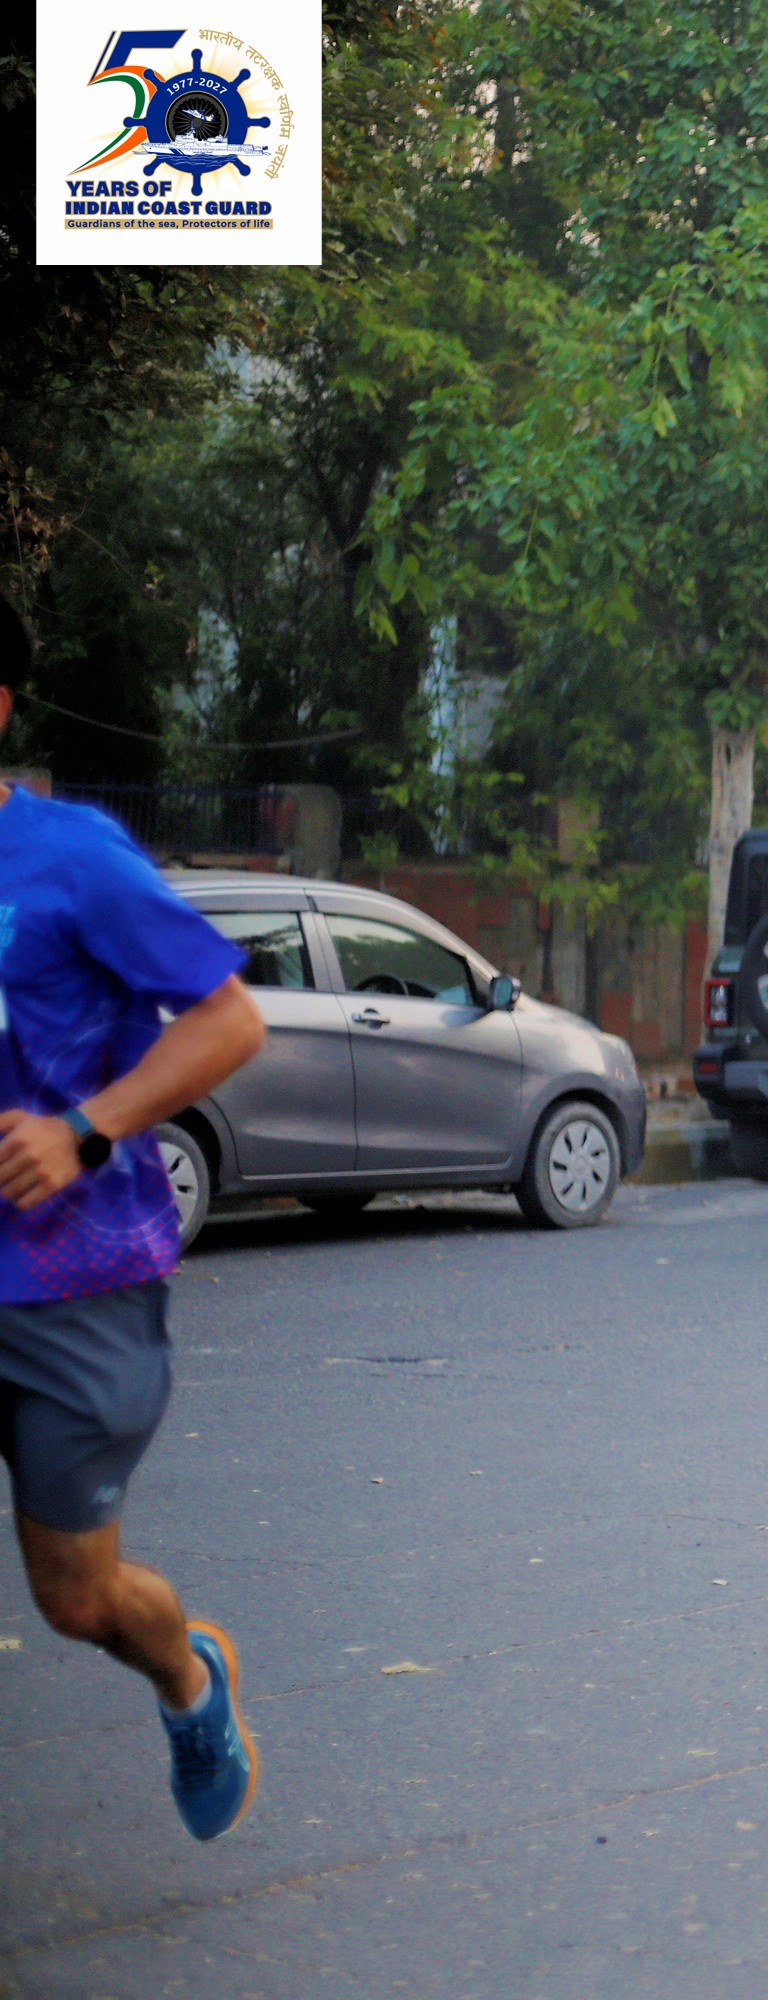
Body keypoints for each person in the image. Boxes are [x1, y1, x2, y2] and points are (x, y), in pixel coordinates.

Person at [0, 683, 271, 1839]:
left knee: (77, 1595)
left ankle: (188, 1677)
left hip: (74, 1286)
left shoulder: (72, 859)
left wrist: (84, 1129)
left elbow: (230, 1020)